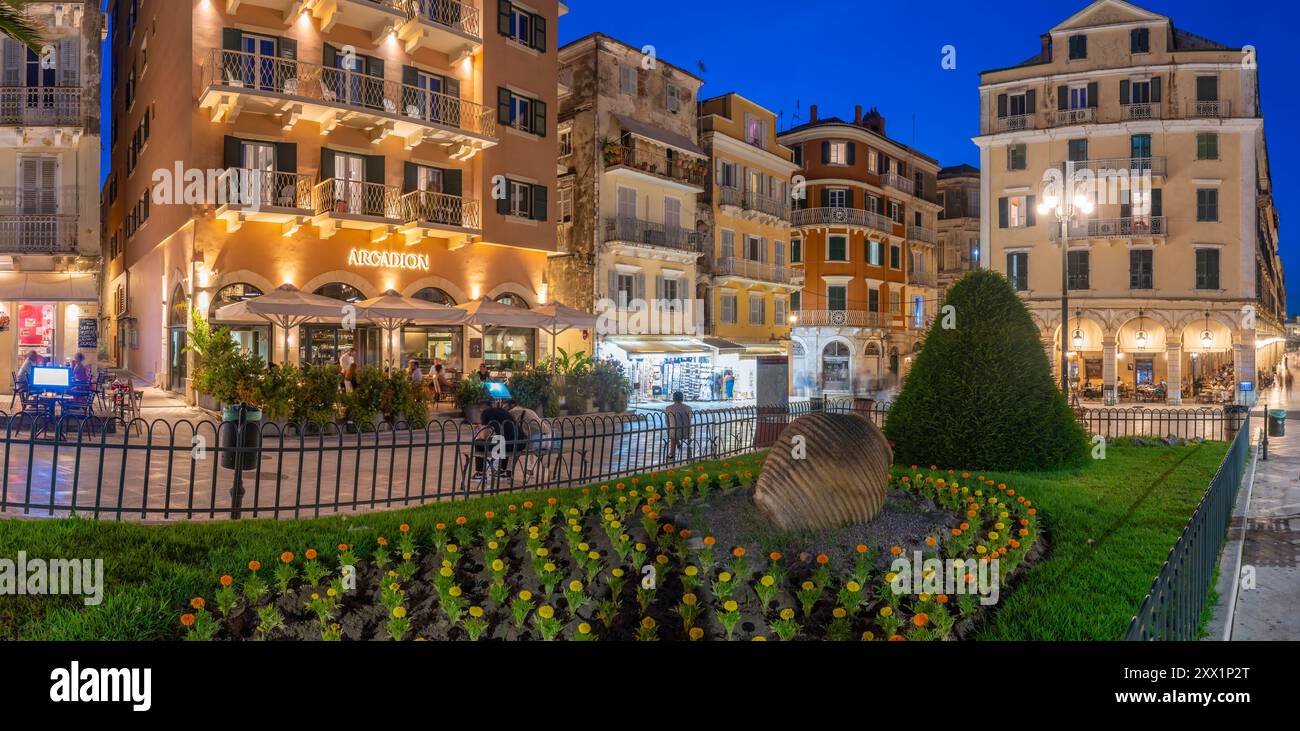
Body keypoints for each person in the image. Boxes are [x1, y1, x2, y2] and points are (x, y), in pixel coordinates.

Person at [472, 402, 523, 478]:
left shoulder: (485, 413)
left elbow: (483, 436)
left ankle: (480, 472)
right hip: (519, 444)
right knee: (503, 439)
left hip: (506, 446)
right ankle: (502, 470)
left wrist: (478, 429)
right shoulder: (503, 412)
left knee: (478, 442)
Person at [664, 391, 693, 459]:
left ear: (673, 398)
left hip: (674, 433)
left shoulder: (668, 408)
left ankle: (671, 453)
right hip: (687, 432)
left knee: (672, 431)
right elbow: (690, 419)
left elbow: (667, 422)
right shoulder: (689, 408)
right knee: (675, 430)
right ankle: (687, 450)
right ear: (682, 398)